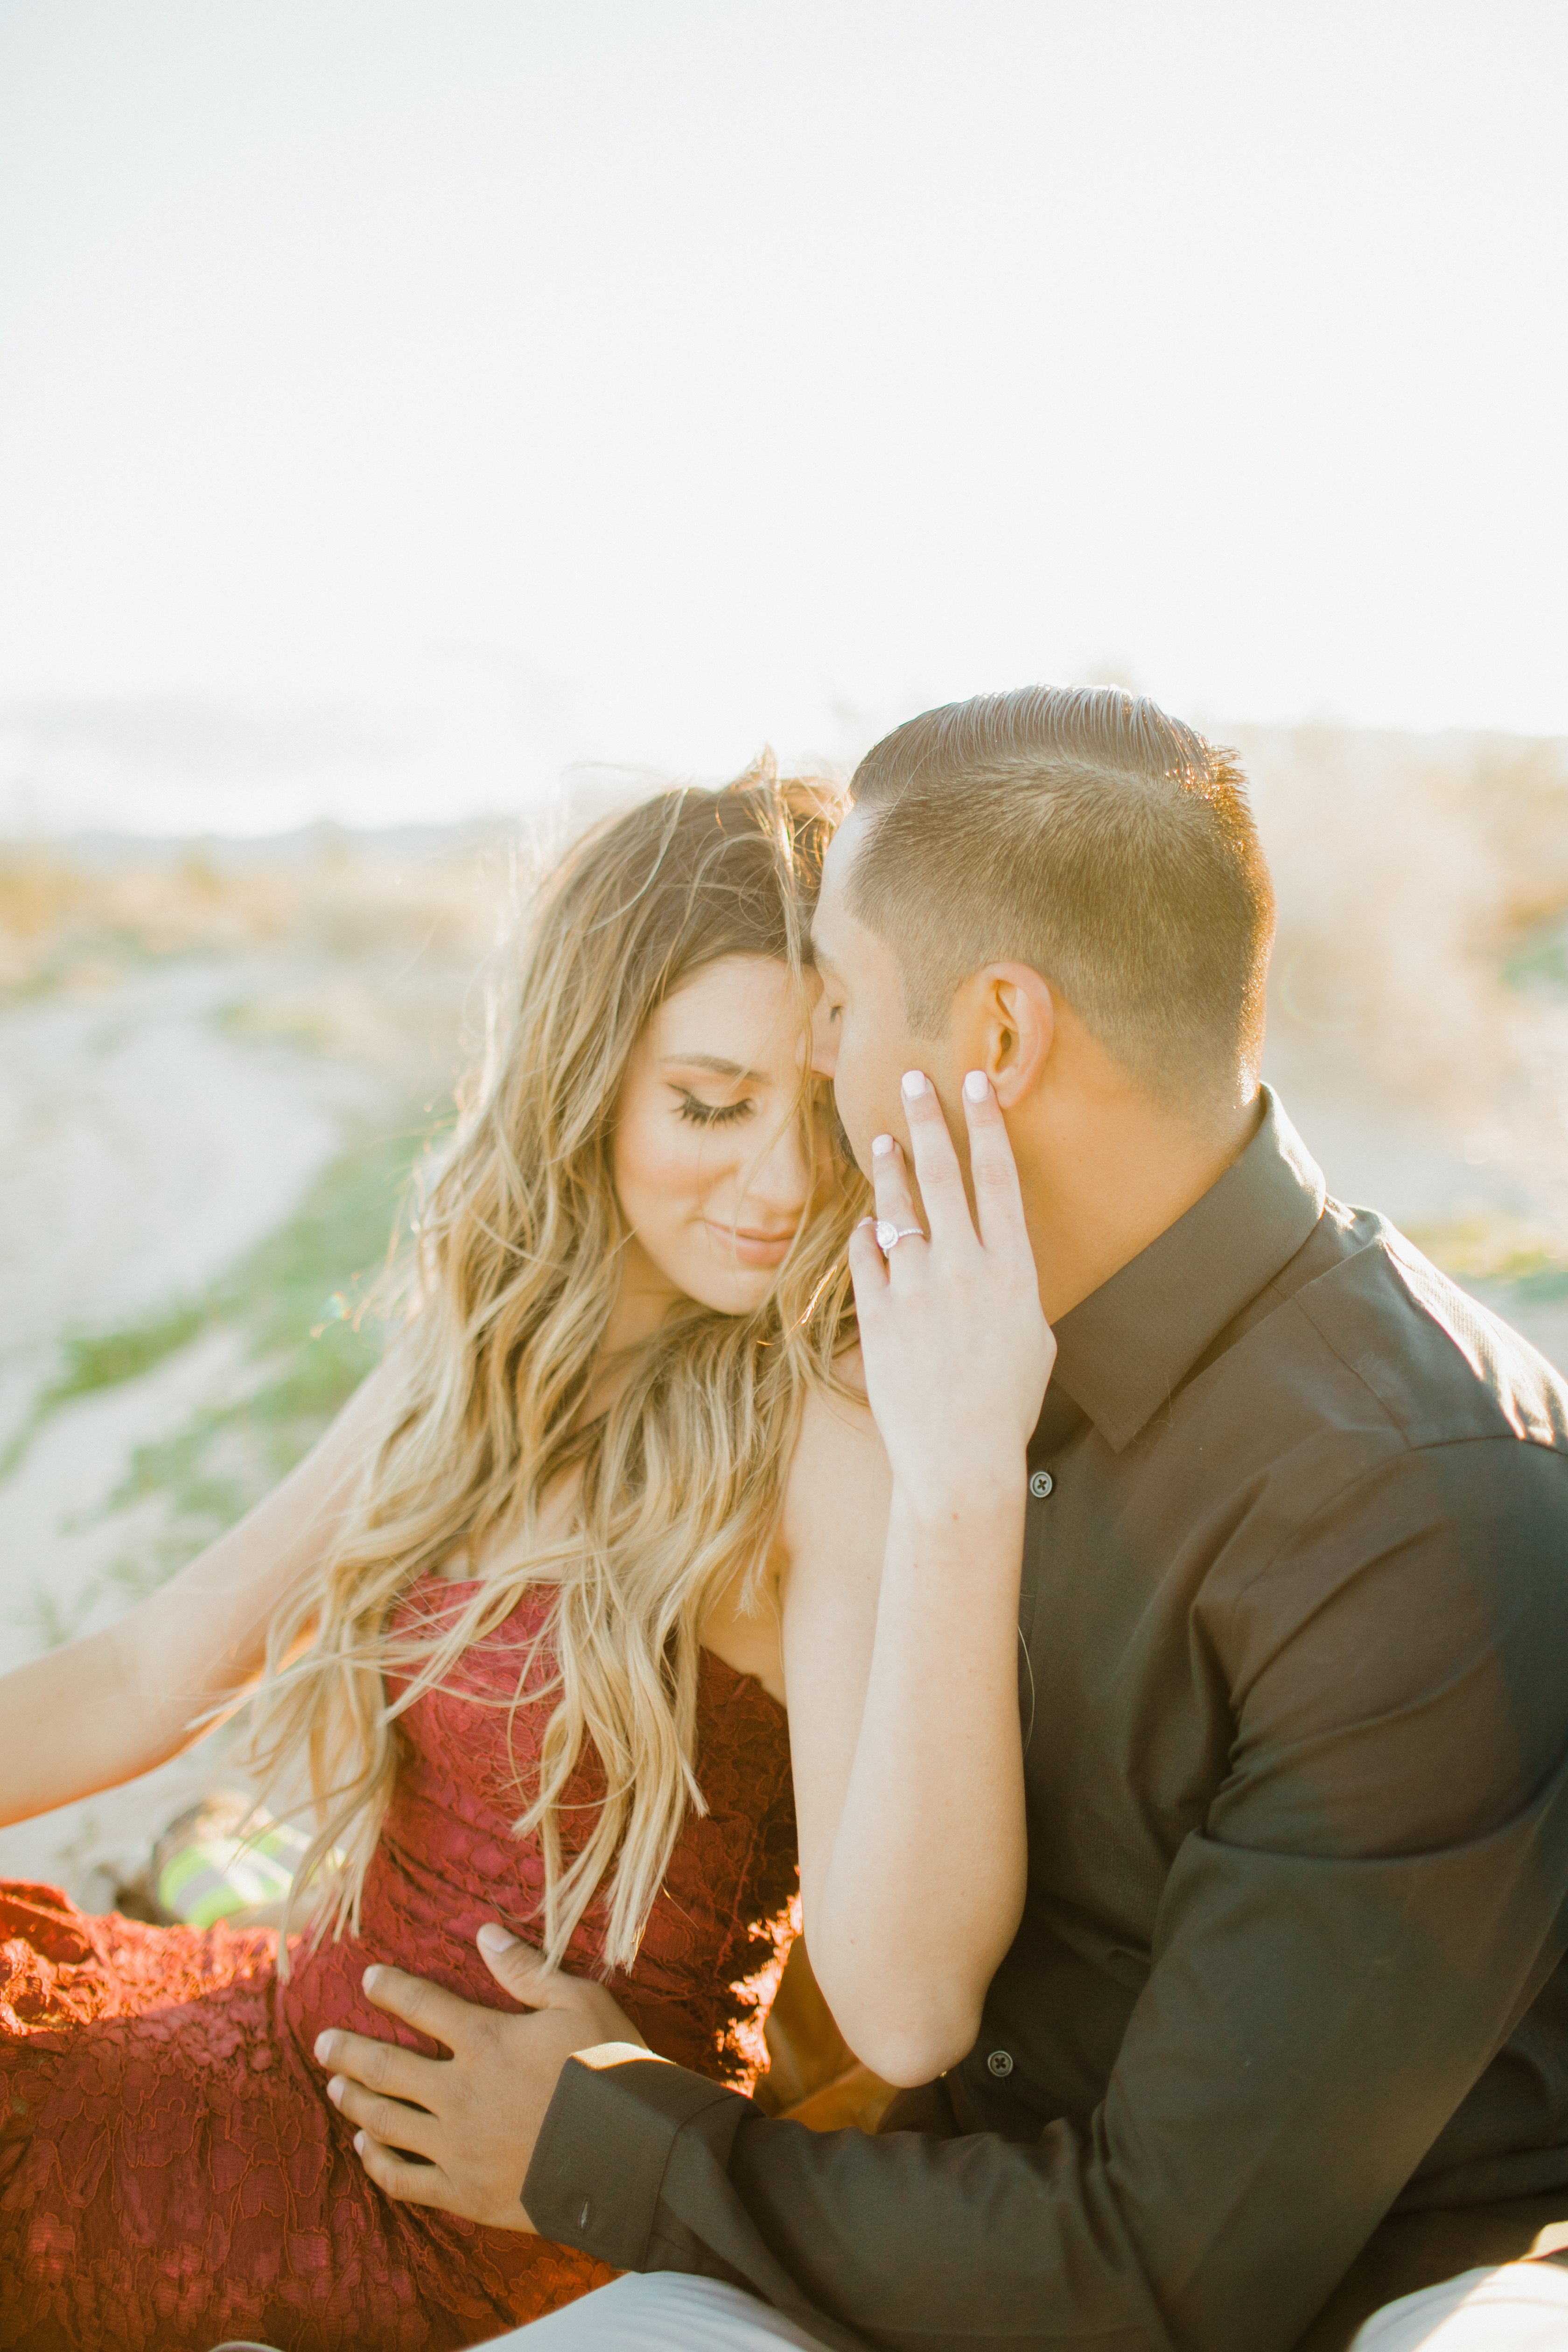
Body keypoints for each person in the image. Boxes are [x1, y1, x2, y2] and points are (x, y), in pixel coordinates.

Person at [315, 686, 1568, 2352]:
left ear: (994, 1038)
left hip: (1369, 2301)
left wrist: (608, 2149)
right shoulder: (924, 1316)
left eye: (834, 996)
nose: (809, 1047)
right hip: (929, 2239)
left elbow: (1168, 2268)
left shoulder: (1417, 1507)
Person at [0, 768, 1026, 2348]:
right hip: (277, 2045)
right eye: (710, 1102)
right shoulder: (488, 1352)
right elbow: (152, 1670)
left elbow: (906, 2006)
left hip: (450, 2222)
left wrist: (962, 1488)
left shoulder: (826, 1429)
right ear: (586, 1075)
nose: (783, 1186)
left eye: (817, 1113)